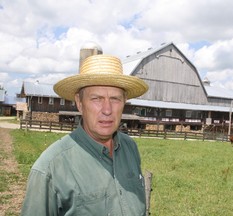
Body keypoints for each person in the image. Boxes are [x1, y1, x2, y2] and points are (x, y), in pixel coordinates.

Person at [21, 54, 149, 215]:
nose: (107, 110)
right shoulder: (50, 168)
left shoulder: (130, 148)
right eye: (97, 99)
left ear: (124, 102)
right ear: (79, 103)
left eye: (115, 99)